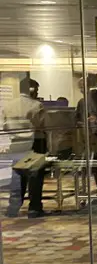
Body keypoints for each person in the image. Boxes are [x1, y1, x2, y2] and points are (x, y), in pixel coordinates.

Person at [3, 78, 47, 218]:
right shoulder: (36, 105)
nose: (37, 93)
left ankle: (13, 207)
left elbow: (4, 126)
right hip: (33, 144)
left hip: (15, 144)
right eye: (36, 89)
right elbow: (42, 126)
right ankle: (34, 208)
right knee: (35, 177)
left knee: (17, 177)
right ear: (31, 89)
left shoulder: (8, 106)